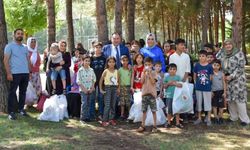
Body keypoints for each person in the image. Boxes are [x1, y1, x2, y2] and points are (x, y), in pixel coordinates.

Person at [217, 39, 250, 126]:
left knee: (239, 99)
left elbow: (241, 67)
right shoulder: (222, 53)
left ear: (233, 45)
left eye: (229, 44)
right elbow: (216, 60)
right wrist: (220, 49)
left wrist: (231, 76)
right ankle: (233, 117)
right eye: (226, 44)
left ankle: (245, 119)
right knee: (230, 99)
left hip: (238, 80)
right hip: (226, 79)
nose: (228, 46)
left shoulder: (238, 53)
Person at [4, 28, 31, 120]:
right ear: (14, 35)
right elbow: (6, 60)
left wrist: (29, 72)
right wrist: (8, 73)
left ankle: (21, 109)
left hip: (25, 73)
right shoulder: (9, 46)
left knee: (23, 92)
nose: (20, 35)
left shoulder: (25, 47)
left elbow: (28, 60)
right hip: (15, 73)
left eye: (21, 34)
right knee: (12, 93)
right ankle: (11, 112)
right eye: (18, 34)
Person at [136, 57, 158, 133]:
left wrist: (149, 74)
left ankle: (155, 126)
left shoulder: (154, 72)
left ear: (152, 65)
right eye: (146, 65)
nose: (147, 66)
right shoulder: (143, 72)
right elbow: (141, 82)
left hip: (152, 94)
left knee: (153, 110)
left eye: (149, 64)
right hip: (144, 94)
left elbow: (153, 82)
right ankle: (143, 125)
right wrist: (144, 74)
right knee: (144, 111)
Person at [193, 50, 213, 126]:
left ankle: (208, 118)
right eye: (200, 56)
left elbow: (211, 77)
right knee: (199, 102)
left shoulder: (209, 66)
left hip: (207, 87)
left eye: (203, 56)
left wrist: (208, 85)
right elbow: (194, 75)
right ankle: (199, 118)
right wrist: (196, 83)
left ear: (206, 57)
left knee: (207, 103)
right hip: (198, 87)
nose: (201, 57)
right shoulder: (197, 65)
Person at [99, 56, 120, 126]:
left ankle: (111, 119)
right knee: (107, 105)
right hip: (107, 88)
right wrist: (101, 89)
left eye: (113, 62)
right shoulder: (106, 71)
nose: (111, 63)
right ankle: (104, 120)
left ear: (115, 63)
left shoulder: (117, 71)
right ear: (107, 63)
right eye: (110, 62)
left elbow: (118, 81)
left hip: (114, 88)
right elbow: (101, 81)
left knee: (113, 104)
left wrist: (118, 88)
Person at [77, 55, 96, 124]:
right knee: (84, 103)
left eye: (89, 61)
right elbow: (78, 81)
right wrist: (84, 89)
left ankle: (87, 117)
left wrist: (92, 87)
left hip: (90, 89)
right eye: (86, 61)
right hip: (83, 90)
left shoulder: (91, 70)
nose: (87, 62)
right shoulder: (80, 70)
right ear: (83, 61)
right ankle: (82, 118)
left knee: (89, 103)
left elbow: (94, 79)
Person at [163, 63, 183, 128]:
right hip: (169, 96)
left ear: (176, 70)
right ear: (168, 70)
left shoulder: (178, 77)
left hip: (176, 96)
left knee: (177, 110)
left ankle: (177, 123)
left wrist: (175, 84)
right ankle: (168, 122)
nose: (172, 70)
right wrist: (168, 83)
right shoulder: (166, 77)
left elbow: (181, 85)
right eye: (170, 69)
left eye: (174, 69)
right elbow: (164, 86)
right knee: (169, 109)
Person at [90, 42, 106, 120]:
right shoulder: (91, 58)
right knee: (92, 97)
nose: (98, 49)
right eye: (96, 47)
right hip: (93, 81)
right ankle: (92, 114)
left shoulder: (104, 58)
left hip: (102, 80)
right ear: (94, 48)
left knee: (101, 97)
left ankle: (100, 114)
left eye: (100, 47)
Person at [211, 59, 226, 124]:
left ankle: (221, 117)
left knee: (221, 106)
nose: (216, 66)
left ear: (220, 66)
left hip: (221, 91)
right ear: (212, 65)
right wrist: (211, 91)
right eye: (214, 65)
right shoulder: (211, 74)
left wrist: (224, 92)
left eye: (217, 65)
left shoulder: (222, 74)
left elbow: (224, 83)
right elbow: (209, 83)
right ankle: (215, 117)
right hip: (214, 92)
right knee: (214, 105)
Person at [118, 55, 132, 120]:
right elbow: (118, 79)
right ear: (121, 61)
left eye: (126, 60)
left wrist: (131, 86)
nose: (125, 62)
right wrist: (118, 87)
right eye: (123, 60)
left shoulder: (130, 69)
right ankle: (122, 115)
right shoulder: (119, 70)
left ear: (128, 61)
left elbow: (132, 77)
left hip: (128, 87)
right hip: (122, 87)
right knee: (122, 102)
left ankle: (130, 114)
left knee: (128, 102)